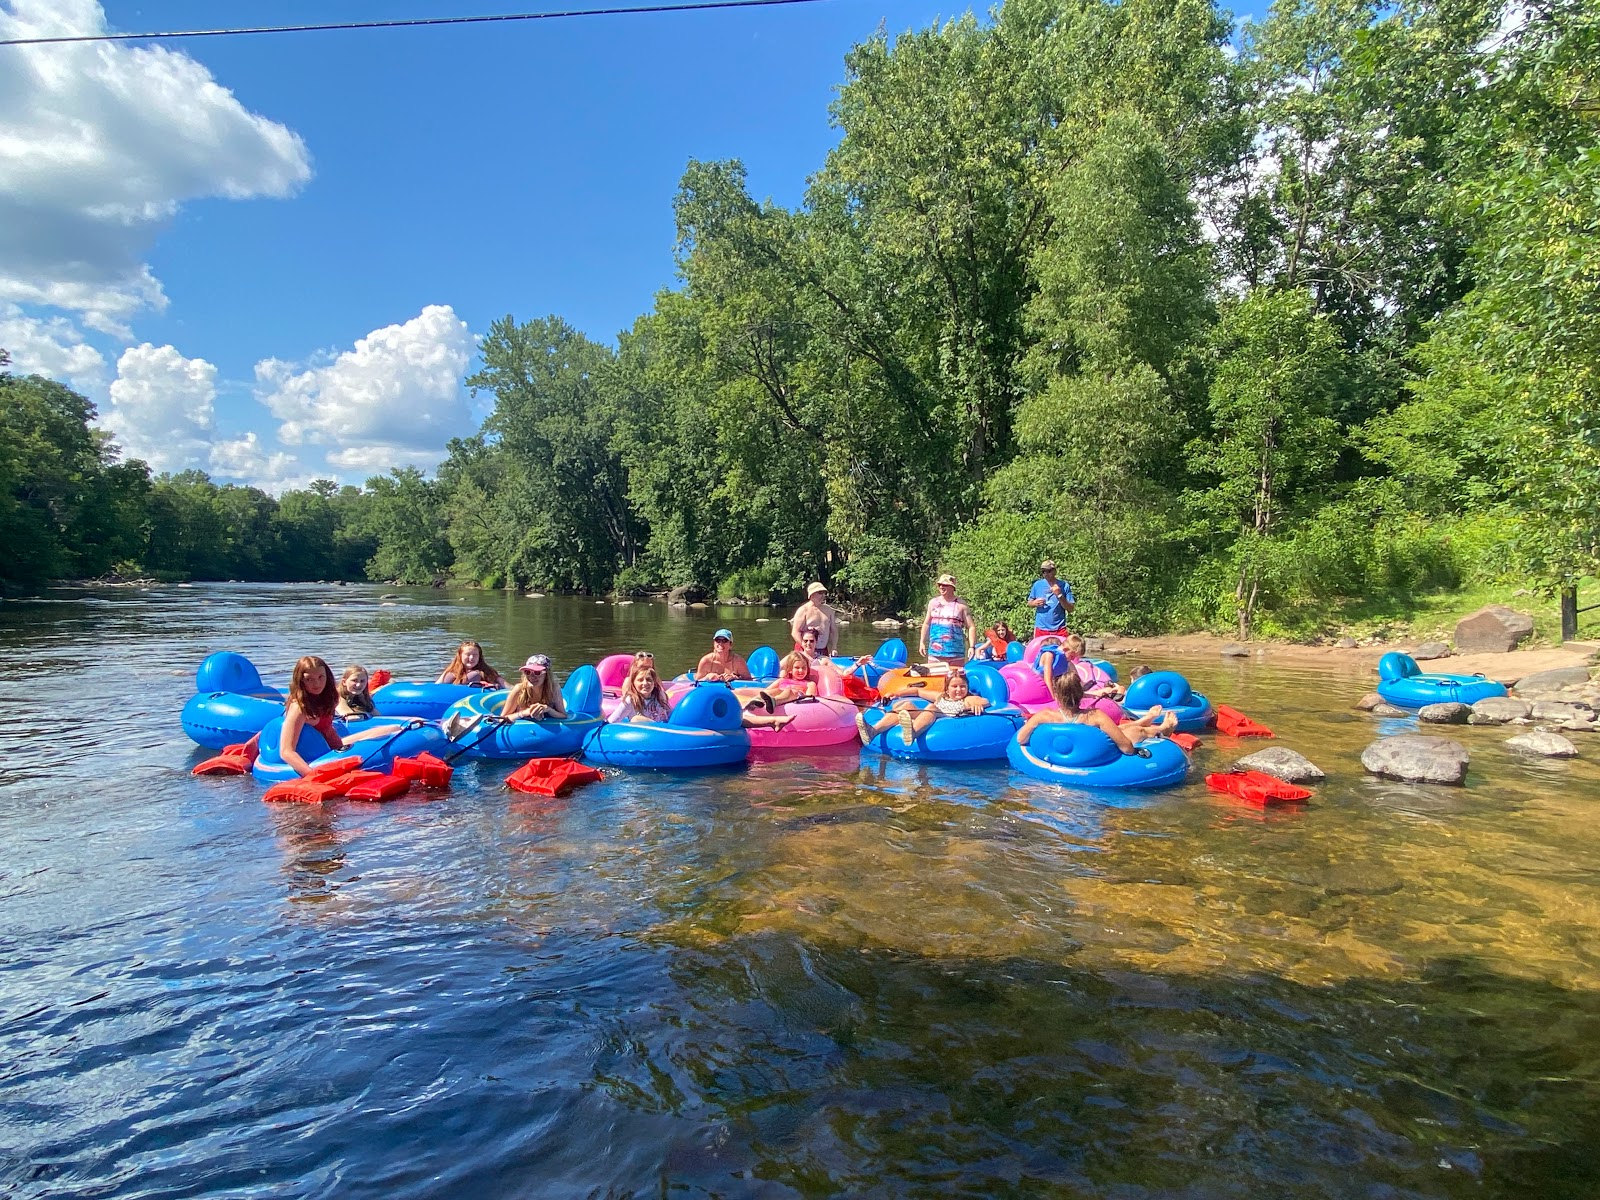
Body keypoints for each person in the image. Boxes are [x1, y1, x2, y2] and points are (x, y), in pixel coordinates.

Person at [278, 655, 392, 777]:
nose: (317, 683)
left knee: (391, 730)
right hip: (318, 757)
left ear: (327, 676)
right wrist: (313, 776)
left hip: (333, 748)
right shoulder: (299, 708)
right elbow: (286, 751)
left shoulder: (327, 698)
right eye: (309, 679)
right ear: (300, 680)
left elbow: (328, 730)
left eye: (321, 677)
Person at [1016, 668, 1173, 755]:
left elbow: (1021, 739)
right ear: (1081, 694)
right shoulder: (1095, 716)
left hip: (1063, 758)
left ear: (1056, 694)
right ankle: (1161, 728)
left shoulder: (1044, 715)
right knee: (1137, 731)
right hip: (1094, 754)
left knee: (1122, 729)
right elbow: (1127, 748)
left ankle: (1146, 720)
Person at [857, 666, 990, 745]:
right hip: (928, 716)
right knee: (906, 704)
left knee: (932, 708)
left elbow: (984, 701)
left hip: (944, 720)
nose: (958, 690)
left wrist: (978, 705)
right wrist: (895, 694)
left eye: (962, 686)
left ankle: (912, 732)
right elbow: (917, 691)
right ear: (947, 688)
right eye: (954, 686)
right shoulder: (940, 696)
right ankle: (873, 731)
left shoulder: (967, 699)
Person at [920, 574, 977, 667]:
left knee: (956, 681)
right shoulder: (933, 603)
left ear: (952, 587)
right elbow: (926, 623)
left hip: (956, 653)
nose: (941, 587)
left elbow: (971, 627)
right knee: (935, 680)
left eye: (945, 585)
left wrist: (972, 647)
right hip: (935, 653)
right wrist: (922, 642)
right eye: (939, 585)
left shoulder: (961, 605)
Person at [502, 654, 568, 721]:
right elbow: (502, 719)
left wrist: (548, 710)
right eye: (527, 672)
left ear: (546, 675)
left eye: (537, 672)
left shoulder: (553, 689)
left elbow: (563, 715)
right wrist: (526, 712)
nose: (531, 677)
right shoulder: (519, 689)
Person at [608, 656, 672, 724]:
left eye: (649, 680)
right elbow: (612, 721)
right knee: (636, 719)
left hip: (664, 730)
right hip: (645, 732)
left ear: (654, 683)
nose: (645, 683)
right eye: (640, 680)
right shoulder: (631, 700)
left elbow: (671, 714)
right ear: (633, 683)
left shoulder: (660, 695)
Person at [1027, 559, 1075, 637]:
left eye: (1048, 571)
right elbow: (1029, 602)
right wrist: (1034, 603)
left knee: (1062, 649)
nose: (1046, 574)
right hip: (1041, 629)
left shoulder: (1064, 585)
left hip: (1059, 629)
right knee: (1040, 649)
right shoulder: (1037, 585)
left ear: (1054, 571)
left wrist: (1059, 595)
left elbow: (1071, 609)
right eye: (1043, 571)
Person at [790, 582, 838, 656]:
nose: (823, 595)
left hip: (823, 649)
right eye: (820, 593)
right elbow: (795, 632)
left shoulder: (828, 610)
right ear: (812, 594)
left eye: (824, 593)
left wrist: (834, 648)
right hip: (804, 650)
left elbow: (834, 631)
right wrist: (807, 648)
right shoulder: (803, 610)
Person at [436, 640, 504, 688]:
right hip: (451, 701)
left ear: (479, 657)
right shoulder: (451, 672)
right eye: (467, 654)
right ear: (460, 656)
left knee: (476, 674)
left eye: (475, 655)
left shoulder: (488, 672)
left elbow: (507, 686)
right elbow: (436, 687)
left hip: (476, 701)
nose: (471, 658)